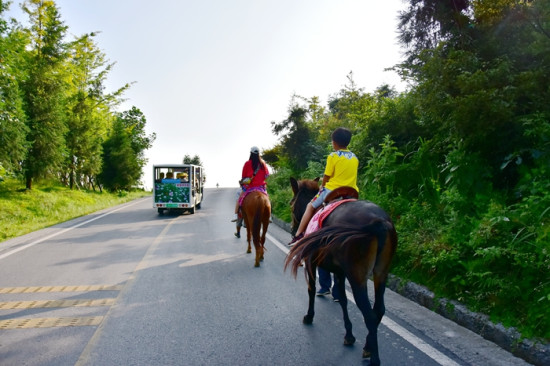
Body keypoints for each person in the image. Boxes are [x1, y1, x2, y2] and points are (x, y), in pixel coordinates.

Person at [288, 127, 359, 245]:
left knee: (310, 206)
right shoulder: (355, 158)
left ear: (334, 142)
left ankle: (298, 235)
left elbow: (326, 176)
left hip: (333, 190)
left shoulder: (333, 156)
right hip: (351, 191)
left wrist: (322, 186)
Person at [232, 146, 270, 237]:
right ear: (258, 154)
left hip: (249, 188)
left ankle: (235, 215)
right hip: (261, 187)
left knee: (240, 199)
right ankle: (269, 216)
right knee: (267, 199)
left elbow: (243, 177)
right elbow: (267, 176)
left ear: (251, 153)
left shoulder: (247, 164)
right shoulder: (263, 164)